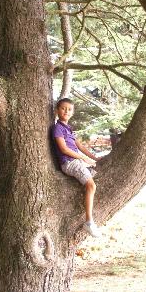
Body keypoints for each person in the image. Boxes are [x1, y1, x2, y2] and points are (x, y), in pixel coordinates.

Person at [52, 98, 101, 237]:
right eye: (63, 108)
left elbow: (79, 146)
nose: (66, 111)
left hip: (77, 161)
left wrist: (94, 158)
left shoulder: (69, 128)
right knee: (92, 186)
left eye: (69, 109)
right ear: (57, 110)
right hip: (69, 162)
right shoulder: (57, 128)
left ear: (72, 112)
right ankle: (89, 222)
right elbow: (64, 149)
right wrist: (83, 158)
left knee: (94, 172)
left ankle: (88, 171)